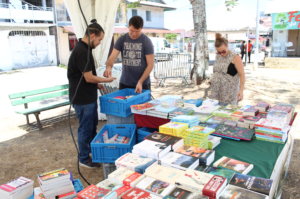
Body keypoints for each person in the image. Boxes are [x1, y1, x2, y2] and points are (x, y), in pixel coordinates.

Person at [67, 19, 116, 168]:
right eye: (100, 39)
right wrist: (106, 80)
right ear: (92, 35)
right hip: (82, 98)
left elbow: (86, 75)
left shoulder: (85, 49)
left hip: (88, 96)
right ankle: (83, 158)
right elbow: (88, 77)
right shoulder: (82, 51)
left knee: (92, 126)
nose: (100, 42)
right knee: (85, 128)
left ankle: (93, 152)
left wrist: (98, 83)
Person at [104, 16, 154, 93]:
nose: (134, 34)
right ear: (128, 26)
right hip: (125, 83)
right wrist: (108, 67)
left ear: (141, 28)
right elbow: (112, 58)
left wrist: (140, 82)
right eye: (131, 30)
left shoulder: (147, 41)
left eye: (137, 31)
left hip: (143, 83)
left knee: (142, 105)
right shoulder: (121, 40)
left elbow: (150, 65)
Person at [210, 33, 245, 105]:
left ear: (227, 46)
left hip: (229, 94)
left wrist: (241, 90)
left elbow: (242, 74)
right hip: (216, 92)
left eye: (223, 51)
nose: (221, 54)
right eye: (219, 52)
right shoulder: (218, 56)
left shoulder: (235, 57)